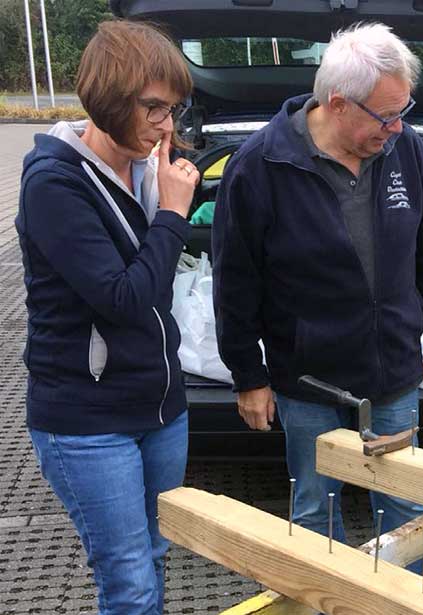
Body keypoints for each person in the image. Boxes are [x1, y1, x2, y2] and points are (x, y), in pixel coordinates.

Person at [212, 22, 423, 575]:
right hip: (309, 379)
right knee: (315, 512)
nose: (397, 127)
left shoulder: (407, 151)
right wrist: (249, 377)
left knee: (404, 510)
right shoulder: (261, 165)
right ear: (338, 103)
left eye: (403, 111)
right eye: (385, 115)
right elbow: (234, 282)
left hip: (394, 371)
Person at [15, 21, 198, 615]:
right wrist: (172, 215)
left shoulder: (147, 168)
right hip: (88, 421)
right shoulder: (54, 184)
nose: (166, 125)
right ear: (110, 99)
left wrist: (163, 201)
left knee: (157, 555)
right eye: (154, 108)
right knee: (129, 581)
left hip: (161, 409)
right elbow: (124, 298)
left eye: (172, 109)